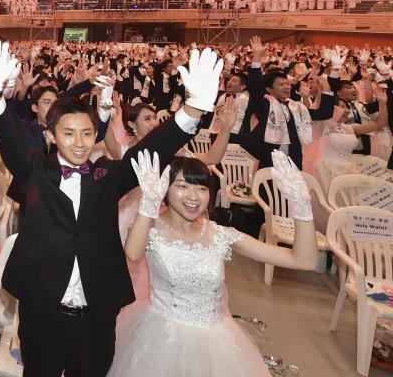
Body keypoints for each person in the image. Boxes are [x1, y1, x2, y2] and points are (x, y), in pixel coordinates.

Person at [0, 40, 221, 377]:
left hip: (96, 316)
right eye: (68, 134)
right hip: (42, 312)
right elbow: (8, 138)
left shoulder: (107, 176)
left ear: (96, 135)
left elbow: (150, 149)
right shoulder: (34, 170)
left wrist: (193, 109)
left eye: (86, 133)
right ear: (51, 137)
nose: (79, 142)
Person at [107, 151, 317, 376]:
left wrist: (301, 206)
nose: (193, 196)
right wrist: (147, 206)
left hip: (219, 344)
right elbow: (132, 253)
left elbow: (304, 260)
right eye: (182, 186)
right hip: (161, 338)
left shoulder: (221, 235)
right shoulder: (151, 230)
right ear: (164, 189)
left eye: (201, 188)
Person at [243, 36, 336, 169]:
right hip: (270, 161)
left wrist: (326, 90)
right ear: (269, 89)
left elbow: (324, 113)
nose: (287, 87)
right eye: (281, 85)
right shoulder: (264, 105)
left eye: (287, 83)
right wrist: (257, 58)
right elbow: (255, 87)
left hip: (294, 161)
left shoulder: (295, 107)